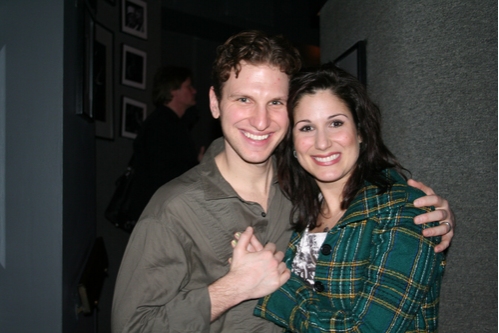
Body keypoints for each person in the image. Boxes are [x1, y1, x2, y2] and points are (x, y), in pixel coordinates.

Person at [111, 31, 454, 333]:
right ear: (215, 103)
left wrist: (419, 205)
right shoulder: (174, 207)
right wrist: (232, 288)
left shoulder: (302, 186)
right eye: (243, 99)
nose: (260, 121)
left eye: (275, 102)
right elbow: (133, 327)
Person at [254, 63, 447, 332]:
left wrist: (273, 288)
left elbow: (367, 329)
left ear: (360, 133)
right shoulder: (296, 210)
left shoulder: (404, 208)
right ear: (292, 145)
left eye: (335, 123)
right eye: (307, 128)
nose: (323, 143)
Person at [125, 66, 203, 228]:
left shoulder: (166, 123)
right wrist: (197, 165)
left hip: (160, 211)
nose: (194, 91)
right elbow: (166, 172)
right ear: (173, 90)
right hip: (160, 214)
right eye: (188, 86)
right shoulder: (164, 124)